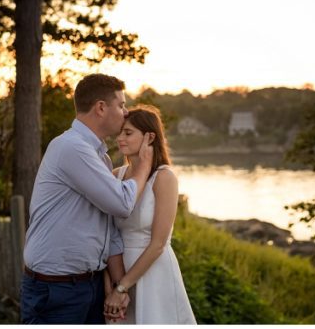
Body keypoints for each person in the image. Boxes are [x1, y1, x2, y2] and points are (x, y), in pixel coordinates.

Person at [21, 74, 154, 324]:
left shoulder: (99, 157)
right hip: (57, 290)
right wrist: (144, 166)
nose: (125, 112)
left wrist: (118, 286)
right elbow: (123, 204)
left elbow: (108, 227)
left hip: (89, 285)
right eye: (121, 105)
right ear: (101, 108)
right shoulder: (71, 147)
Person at [102, 105, 196, 324]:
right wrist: (111, 288)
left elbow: (158, 243)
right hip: (117, 272)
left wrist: (123, 286)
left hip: (153, 274)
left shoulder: (164, 178)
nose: (120, 139)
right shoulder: (115, 175)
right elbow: (106, 235)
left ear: (150, 137)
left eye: (128, 133)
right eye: (120, 133)